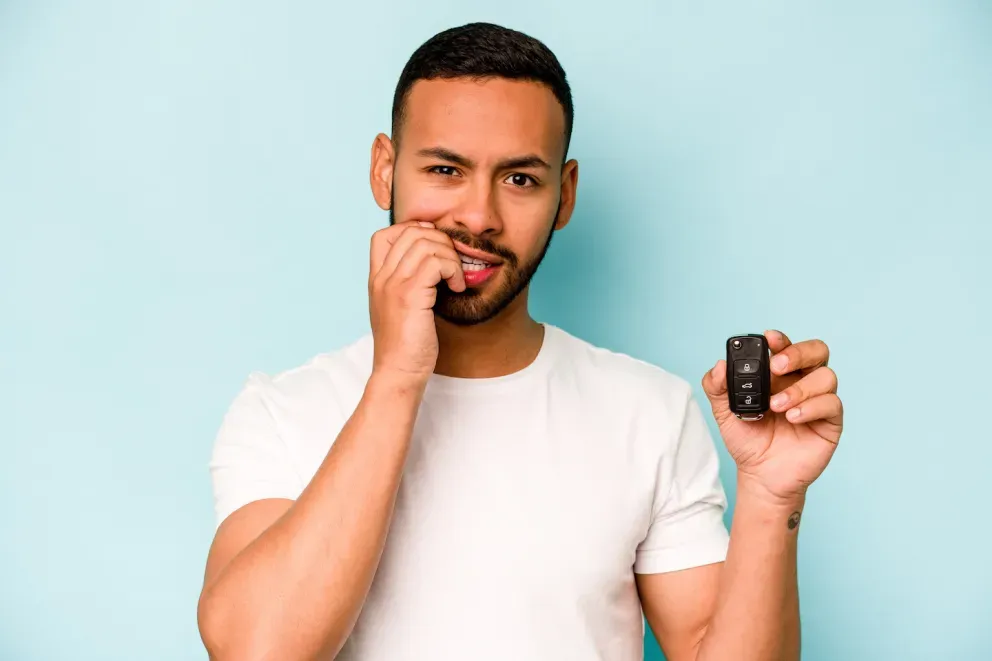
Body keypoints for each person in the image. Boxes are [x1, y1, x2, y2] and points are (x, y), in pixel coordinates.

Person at [196, 22, 844, 661]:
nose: (477, 216)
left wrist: (770, 495)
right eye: (445, 169)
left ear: (563, 197)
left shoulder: (649, 411)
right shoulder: (280, 412)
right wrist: (397, 374)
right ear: (384, 171)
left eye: (519, 180)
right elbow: (258, 650)